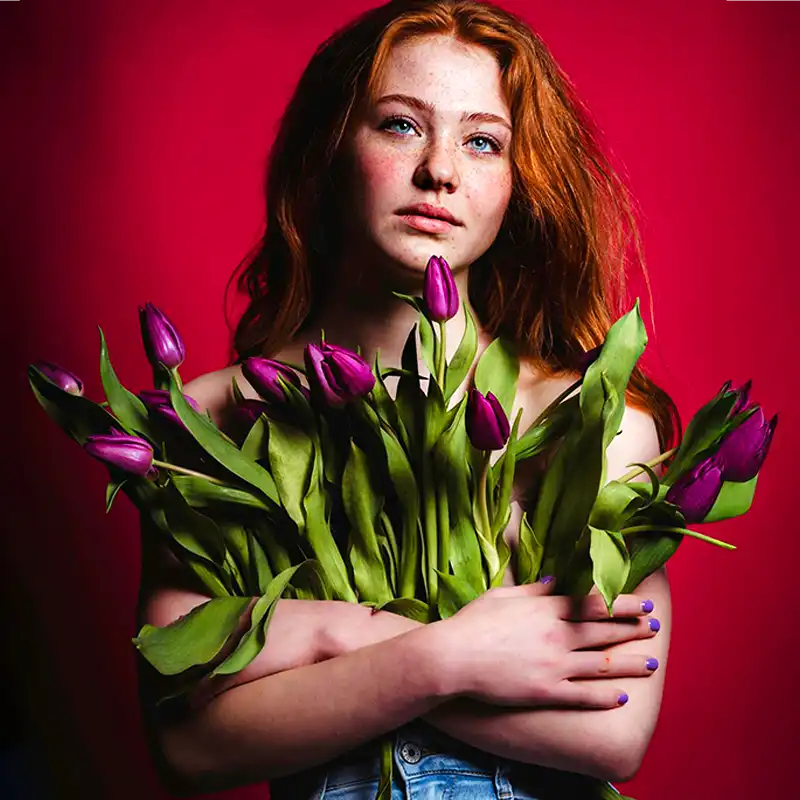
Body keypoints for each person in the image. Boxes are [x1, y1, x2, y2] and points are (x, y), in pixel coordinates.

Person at [137, 1, 679, 797]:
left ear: (516, 184)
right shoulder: (208, 424)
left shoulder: (590, 425)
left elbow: (613, 733)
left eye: (483, 141)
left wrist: (314, 638)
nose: (441, 171)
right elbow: (189, 748)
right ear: (330, 149)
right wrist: (444, 654)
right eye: (400, 126)